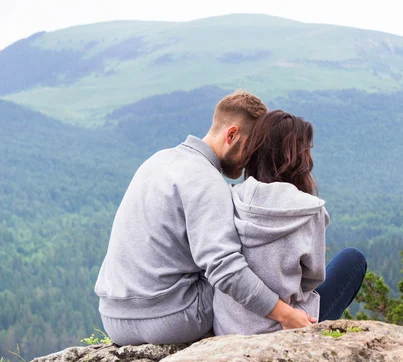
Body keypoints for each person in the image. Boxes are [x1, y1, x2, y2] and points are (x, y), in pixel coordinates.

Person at [94, 91, 316, 345]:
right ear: (232, 135)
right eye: (251, 147)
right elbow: (225, 269)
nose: (252, 158)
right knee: (260, 278)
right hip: (169, 319)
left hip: (113, 318)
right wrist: (285, 314)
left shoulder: (157, 161)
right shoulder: (208, 182)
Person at [213, 110, 367, 336]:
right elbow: (312, 278)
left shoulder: (229, 197)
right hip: (286, 327)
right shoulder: (310, 209)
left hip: (228, 328)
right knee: (353, 260)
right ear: (297, 157)